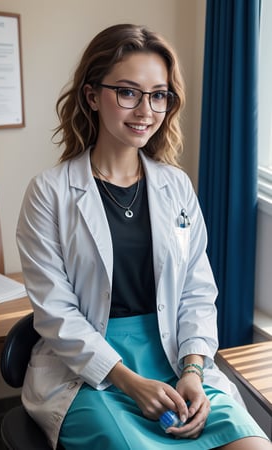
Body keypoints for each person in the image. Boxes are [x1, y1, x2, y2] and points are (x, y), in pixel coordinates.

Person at [16, 24, 271, 450]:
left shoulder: (176, 186)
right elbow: (56, 313)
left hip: (174, 352)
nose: (146, 110)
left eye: (158, 95)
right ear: (92, 96)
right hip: (90, 368)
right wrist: (128, 382)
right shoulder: (50, 192)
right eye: (128, 92)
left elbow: (196, 290)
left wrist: (192, 370)